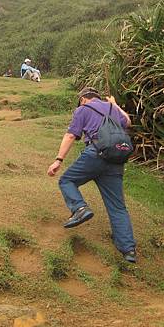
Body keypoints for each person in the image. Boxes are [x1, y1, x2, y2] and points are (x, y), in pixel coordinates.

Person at [47, 87, 138, 263]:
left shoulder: (83, 109)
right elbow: (127, 122)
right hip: (116, 160)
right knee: (117, 207)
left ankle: (80, 208)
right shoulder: (112, 108)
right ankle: (129, 250)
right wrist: (115, 105)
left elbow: (71, 135)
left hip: (95, 154)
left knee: (67, 180)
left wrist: (58, 160)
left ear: (83, 99)